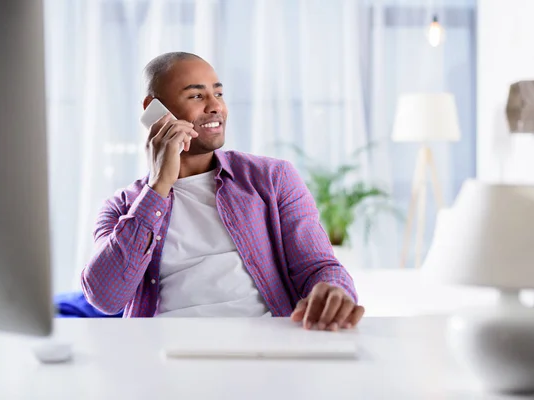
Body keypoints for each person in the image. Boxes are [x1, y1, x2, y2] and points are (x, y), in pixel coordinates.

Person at [81, 52, 365, 331]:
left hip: (261, 345)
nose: (215, 106)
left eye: (218, 93)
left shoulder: (271, 178)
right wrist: (157, 188)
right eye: (196, 96)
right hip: (164, 352)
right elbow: (106, 298)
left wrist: (335, 290)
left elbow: (318, 266)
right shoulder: (123, 208)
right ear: (153, 108)